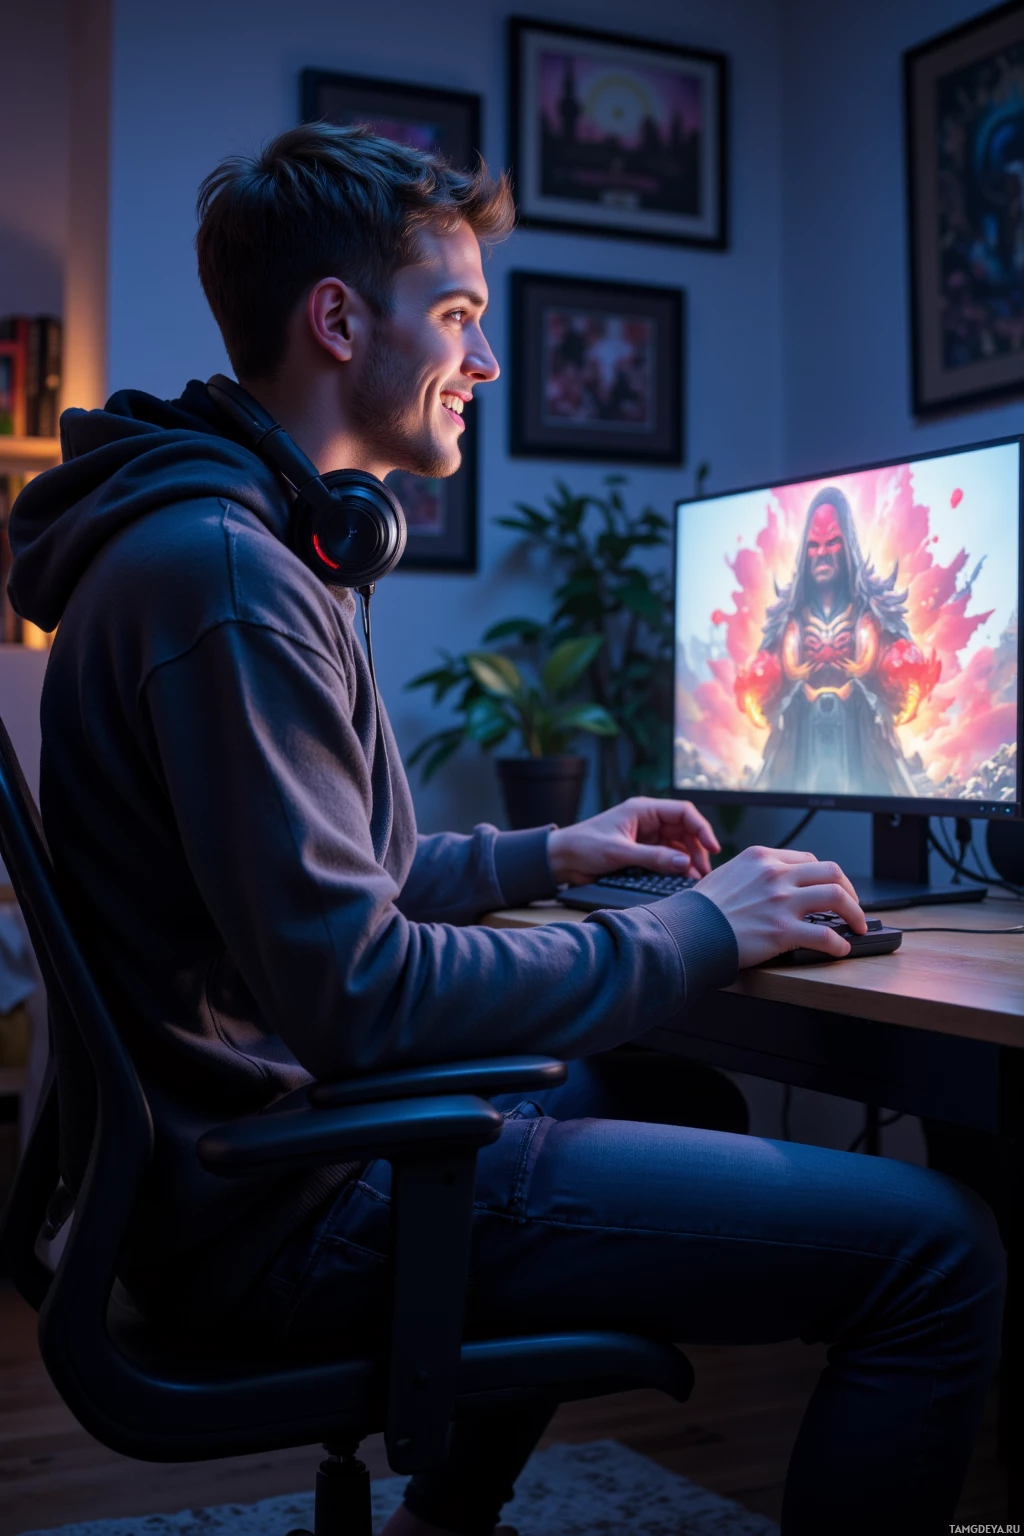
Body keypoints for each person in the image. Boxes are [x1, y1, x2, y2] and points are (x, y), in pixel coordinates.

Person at [8, 125, 1004, 1536]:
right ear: (340, 320)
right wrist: (698, 929)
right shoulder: (231, 578)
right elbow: (359, 991)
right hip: (285, 1208)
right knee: (944, 1255)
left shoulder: (224, 541)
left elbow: (319, 892)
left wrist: (554, 854)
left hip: (249, 1165)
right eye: (463, 317)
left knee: (677, 1098)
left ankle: (442, 1523)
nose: (482, 363)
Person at [734, 487, 940, 798]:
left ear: (848, 547)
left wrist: (893, 676)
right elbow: (761, 683)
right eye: (814, 546)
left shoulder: (869, 610)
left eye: (832, 542)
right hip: (800, 727)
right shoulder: (791, 616)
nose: (823, 554)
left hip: (861, 726)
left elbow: (903, 670)